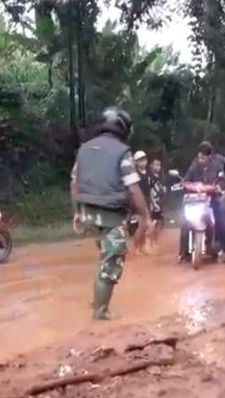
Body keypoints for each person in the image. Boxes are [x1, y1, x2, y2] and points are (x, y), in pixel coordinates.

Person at [70, 106, 152, 320]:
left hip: (88, 211)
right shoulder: (122, 152)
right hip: (111, 213)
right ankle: (100, 312)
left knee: (104, 253)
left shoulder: (84, 149)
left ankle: (97, 299)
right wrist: (145, 215)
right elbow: (133, 187)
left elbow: (74, 181)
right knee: (112, 261)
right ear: (123, 127)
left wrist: (77, 211)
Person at [178, 142, 225, 264]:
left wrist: (221, 187)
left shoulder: (217, 166)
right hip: (195, 200)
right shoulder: (193, 166)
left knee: (222, 224)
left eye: (203, 157)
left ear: (209, 157)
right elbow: (185, 181)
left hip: (212, 199)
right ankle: (183, 254)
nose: (200, 160)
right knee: (185, 223)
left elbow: (223, 179)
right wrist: (183, 185)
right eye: (199, 157)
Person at [131, 150, 151, 255]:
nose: (143, 162)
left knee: (145, 227)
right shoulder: (136, 175)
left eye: (144, 159)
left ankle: (142, 247)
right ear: (136, 162)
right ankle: (136, 248)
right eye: (140, 160)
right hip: (138, 202)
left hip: (146, 200)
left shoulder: (148, 174)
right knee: (141, 226)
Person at [148, 158, 166, 253]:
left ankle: (156, 242)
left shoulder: (160, 177)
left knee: (160, 223)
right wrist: (153, 203)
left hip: (159, 202)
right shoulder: (150, 178)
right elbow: (150, 192)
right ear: (151, 165)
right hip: (153, 203)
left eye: (159, 165)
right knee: (152, 223)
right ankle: (150, 244)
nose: (158, 167)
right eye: (156, 164)